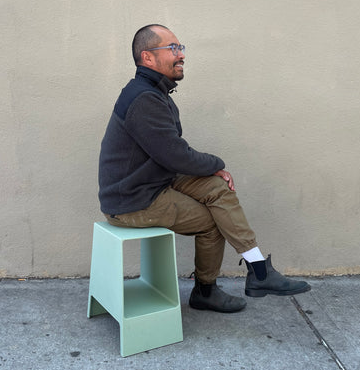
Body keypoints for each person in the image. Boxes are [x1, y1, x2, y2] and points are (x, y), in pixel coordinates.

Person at [98, 24, 310, 313]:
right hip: (132, 200)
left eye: (180, 47)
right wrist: (217, 163)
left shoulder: (154, 93)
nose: (181, 54)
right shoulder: (144, 99)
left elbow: (170, 154)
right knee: (213, 220)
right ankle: (206, 292)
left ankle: (258, 270)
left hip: (155, 181)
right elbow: (176, 156)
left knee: (216, 188)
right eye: (172, 48)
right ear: (147, 58)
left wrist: (212, 172)